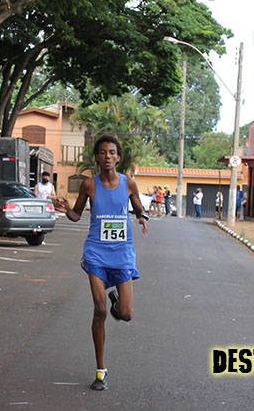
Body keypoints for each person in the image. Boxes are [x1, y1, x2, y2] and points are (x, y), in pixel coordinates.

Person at [54, 135, 148, 391]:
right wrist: (66, 210)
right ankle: (100, 369)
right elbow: (76, 214)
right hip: (96, 252)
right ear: (97, 157)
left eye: (112, 152)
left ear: (118, 158)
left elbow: (138, 207)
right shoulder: (89, 184)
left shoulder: (129, 183)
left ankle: (116, 298)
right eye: (103, 152)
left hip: (122, 252)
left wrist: (142, 217)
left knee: (126, 314)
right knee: (99, 310)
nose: (108, 156)